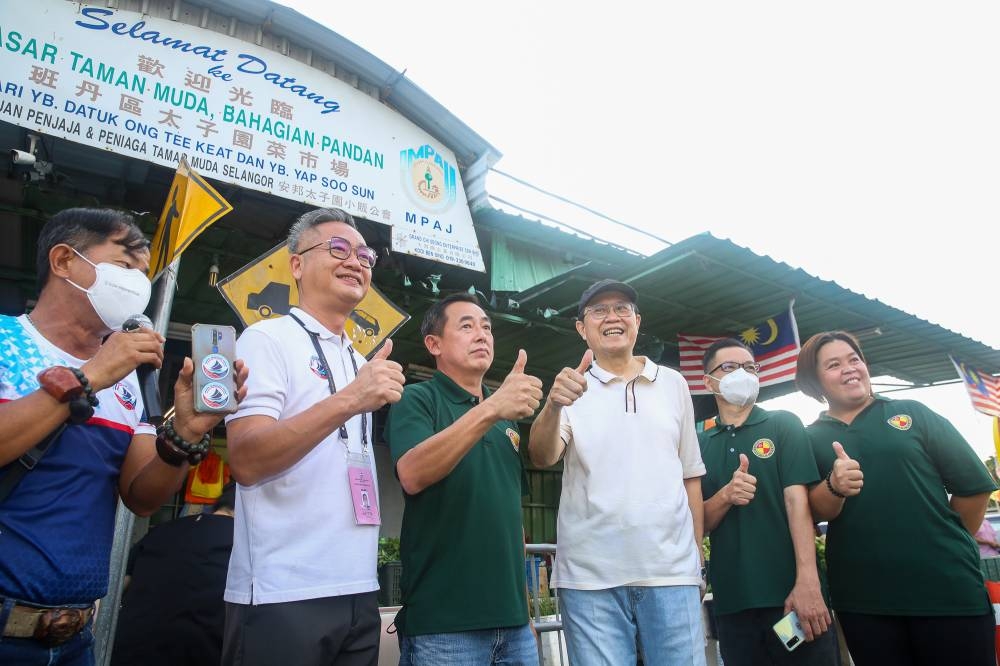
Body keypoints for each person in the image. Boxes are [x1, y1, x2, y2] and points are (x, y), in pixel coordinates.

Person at [0, 207, 247, 665]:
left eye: (143, 272)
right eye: (124, 263)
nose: (137, 282)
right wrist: (92, 375)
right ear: (63, 260)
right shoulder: (5, 340)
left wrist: (185, 433)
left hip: (74, 636)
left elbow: (142, 498)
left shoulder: (128, 379)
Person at [222, 208, 405, 666]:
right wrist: (351, 399)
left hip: (358, 587)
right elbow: (247, 460)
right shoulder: (266, 339)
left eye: (364, 255)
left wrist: (357, 390)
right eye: (338, 249)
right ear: (297, 264)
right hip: (281, 591)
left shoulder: (359, 360)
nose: (355, 261)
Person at [529, 279, 707, 666]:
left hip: (671, 574)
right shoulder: (572, 387)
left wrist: (696, 563)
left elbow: (690, 477)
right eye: (599, 310)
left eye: (622, 308)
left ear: (637, 321)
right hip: (589, 579)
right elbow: (542, 456)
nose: (612, 317)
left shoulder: (674, 383)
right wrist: (553, 405)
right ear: (582, 328)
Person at [798, 330, 996, 666]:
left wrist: (945, 540)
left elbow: (974, 488)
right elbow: (810, 512)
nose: (849, 369)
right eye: (833, 365)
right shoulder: (808, 439)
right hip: (865, 603)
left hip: (948, 593)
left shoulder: (913, 412)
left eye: (854, 359)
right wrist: (833, 485)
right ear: (814, 380)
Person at [386, 292, 543, 665]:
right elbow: (412, 473)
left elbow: (512, 523)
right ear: (434, 344)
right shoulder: (417, 399)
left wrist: (525, 613)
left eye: (487, 327)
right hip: (444, 627)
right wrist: (491, 408)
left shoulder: (506, 419)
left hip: (515, 627)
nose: (482, 335)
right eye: (467, 326)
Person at [698, 338, 836, 665]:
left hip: (792, 599)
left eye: (750, 367)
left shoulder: (782, 424)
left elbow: (798, 504)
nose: (742, 374)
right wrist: (726, 496)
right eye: (729, 367)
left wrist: (808, 582)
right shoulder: (698, 443)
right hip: (733, 604)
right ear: (708, 382)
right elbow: (696, 524)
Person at [111, 483, 237, 666]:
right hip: (198, 655)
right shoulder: (246, 547)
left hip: (127, 652)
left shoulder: (162, 530)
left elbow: (117, 585)